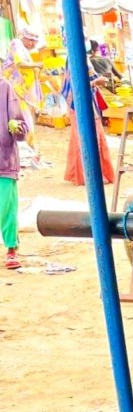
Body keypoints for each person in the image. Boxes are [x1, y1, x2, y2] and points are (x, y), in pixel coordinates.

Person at [61, 59, 115, 186]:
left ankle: (80, 174)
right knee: (89, 138)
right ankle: (90, 175)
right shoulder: (77, 60)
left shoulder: (77, 59)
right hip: (82, 104)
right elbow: (78, 86)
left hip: (84, 102)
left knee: (81, 138)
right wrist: (96, 82)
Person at [0, 76, 28, 269]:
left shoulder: (4, 88)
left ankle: (11, 248)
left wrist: (15, 126)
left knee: (6, 207)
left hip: (4, 159)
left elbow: (22, 128)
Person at [2, 27, 42, 143]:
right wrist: (36, 65)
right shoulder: (16, 43)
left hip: (22, 92)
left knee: (25, 121)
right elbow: (19, 63)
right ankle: (27, 148)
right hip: (16, 91)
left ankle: (28, 147)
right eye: (31, 40)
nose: (33, 44)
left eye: (34, 41)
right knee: (24, 122)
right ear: (25, 38)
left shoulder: (24, 49)